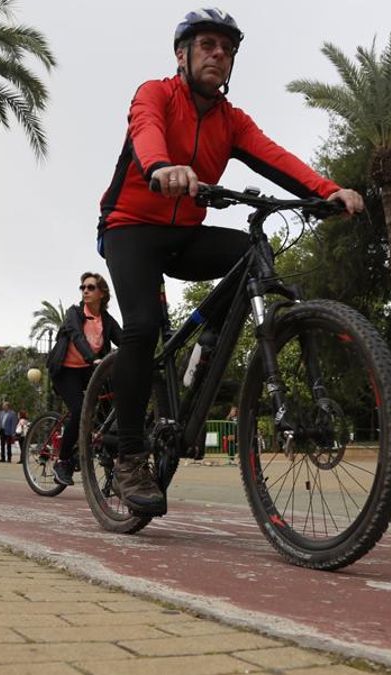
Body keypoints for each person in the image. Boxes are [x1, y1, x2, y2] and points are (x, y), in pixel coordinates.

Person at [95, 8, 365, 515]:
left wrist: (328, 192)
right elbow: (145, 130)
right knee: (142, 328)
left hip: (184, 233)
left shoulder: (230, 121)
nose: (218, 54)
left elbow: (275, 156)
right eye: (207, 45)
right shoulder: (154, 93)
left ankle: (209, 345)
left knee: (250, 252)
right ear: (183, 54)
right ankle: (129, 454)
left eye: (227, 48)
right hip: (130, 227)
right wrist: (160, 167)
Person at [47, 273, 123, 485]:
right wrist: (92, 358)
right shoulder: (74, 313)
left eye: (90, 287)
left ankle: (107, 463)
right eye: (83, 287)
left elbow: (124, 340)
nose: (85, 291)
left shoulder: (106, 320)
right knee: (81, 411)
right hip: (65, 370)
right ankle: (62, 462)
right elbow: (76, 336)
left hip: (89, 370)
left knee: (109, 409)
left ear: (102, 293)